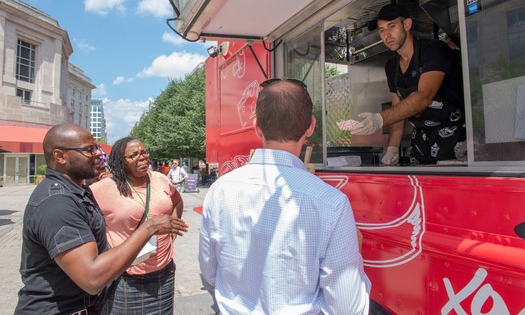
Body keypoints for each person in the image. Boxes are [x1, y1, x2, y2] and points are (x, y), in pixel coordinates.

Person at [199, 78, 371, 314]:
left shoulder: (219, 190)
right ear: (311, 126)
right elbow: (346, 308)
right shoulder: (332, 203)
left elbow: (209, 272)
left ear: (257, 126)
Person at [15, 124, 188, 315]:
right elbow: (93, 278)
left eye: (96, 147)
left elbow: (176, 202)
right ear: (60, 156)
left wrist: (168, 236)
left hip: (152, 278)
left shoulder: (79, 192)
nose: (98, 154)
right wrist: (150, 227)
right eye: (89, 149)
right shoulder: (57, 204)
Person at [343, 3, 466, 165]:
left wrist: (379, 119)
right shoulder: (391, 66)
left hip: (451, 134)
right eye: (381, 30)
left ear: (407, 24)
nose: (386, 35)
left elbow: (424, 97)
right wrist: (392, 148)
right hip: (421, 140)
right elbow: (397, 110)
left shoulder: (434, 50)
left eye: (391, 26)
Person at [90, 137, 186, 314]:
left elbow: (177, 201)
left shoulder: (160, 179)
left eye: (144, 152)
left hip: (163, 274)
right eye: (133, 155)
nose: (142, 157)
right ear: (120, 161)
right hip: (125, 278)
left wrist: (172, 233)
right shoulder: (102, 189)